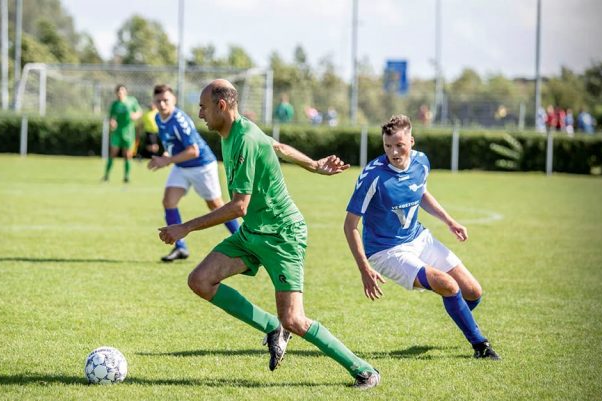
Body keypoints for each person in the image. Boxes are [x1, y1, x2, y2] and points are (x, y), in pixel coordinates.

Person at [158, 79, 380, 389]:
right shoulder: (234, 131)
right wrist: (314, 164)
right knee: (200, 280)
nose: (200, 114)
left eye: (203, 107)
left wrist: (186, 227)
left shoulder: (243, 140)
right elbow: (276, 145)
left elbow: (238, 207)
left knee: (295, 320)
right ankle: (270, 327)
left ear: (221, 106)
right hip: (253, 233)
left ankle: (364, 370)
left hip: (282, 236)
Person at [342, 114, 500, 361]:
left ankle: (457, 312)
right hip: (386, 251)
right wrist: (364, 268)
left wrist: (449, 221)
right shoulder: (373, 176)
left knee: (473, 292)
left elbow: (421, 193)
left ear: (411, 141)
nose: (393, 152)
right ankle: (480, 345)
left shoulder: (421, 163)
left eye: (399, 145)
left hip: (418, 238)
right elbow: (350, 225)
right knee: (448, 285)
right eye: (387, 146)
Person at [148, 84, 240, 262]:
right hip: (182, 167)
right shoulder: (159, 119)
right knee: (169, 201)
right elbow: (172, 146)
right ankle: (180, 247)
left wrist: (166, 160)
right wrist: (164, 157)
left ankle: (243, 239)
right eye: (158, 101)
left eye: (166, 100)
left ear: (173, 100)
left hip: (201, 166)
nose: (162, 104)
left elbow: (193, 151)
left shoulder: (179, 120)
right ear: (154, 102)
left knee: (215, 206)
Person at [103, 84, 141, 183]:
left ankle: (126, 177)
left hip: (128, 132)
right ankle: (106, 175)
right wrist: (112, 123)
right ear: (116, 93)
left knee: (127, 155)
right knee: (113, 153)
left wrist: (135, 115)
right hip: (117, 133)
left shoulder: (131, 101)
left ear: (125, 92)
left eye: (122, 92)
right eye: (118, 92)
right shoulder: (114, 105)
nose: (120, 94)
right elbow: (111, 118)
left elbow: (139, 111)